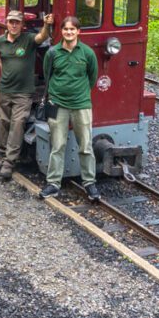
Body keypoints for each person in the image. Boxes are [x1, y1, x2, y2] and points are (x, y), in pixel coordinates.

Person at [0, 10, 53, 180]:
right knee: (2, 122)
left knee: (18, 124)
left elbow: (42, 37)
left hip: (23, 92)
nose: (14, 25)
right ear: (7, 23)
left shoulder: (28, 39)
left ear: (22, 25)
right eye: (11, 22)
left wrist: (47, 25)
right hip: (4, 90)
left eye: (17, 22)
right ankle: (3, 155)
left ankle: (9, 162)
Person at [38, 15, 100, 201]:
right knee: (57, 145)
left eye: (73, 29)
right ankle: (53, 184)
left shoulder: (87, 53)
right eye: (66, 29)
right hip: (58, 104)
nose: (69, 32)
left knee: (86, 146)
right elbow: (47, 75)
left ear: (78, 32)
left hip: (81, 105)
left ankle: (89, 183)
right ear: (62, 31)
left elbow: (92, 77)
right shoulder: (52, 53)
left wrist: (79, 93)